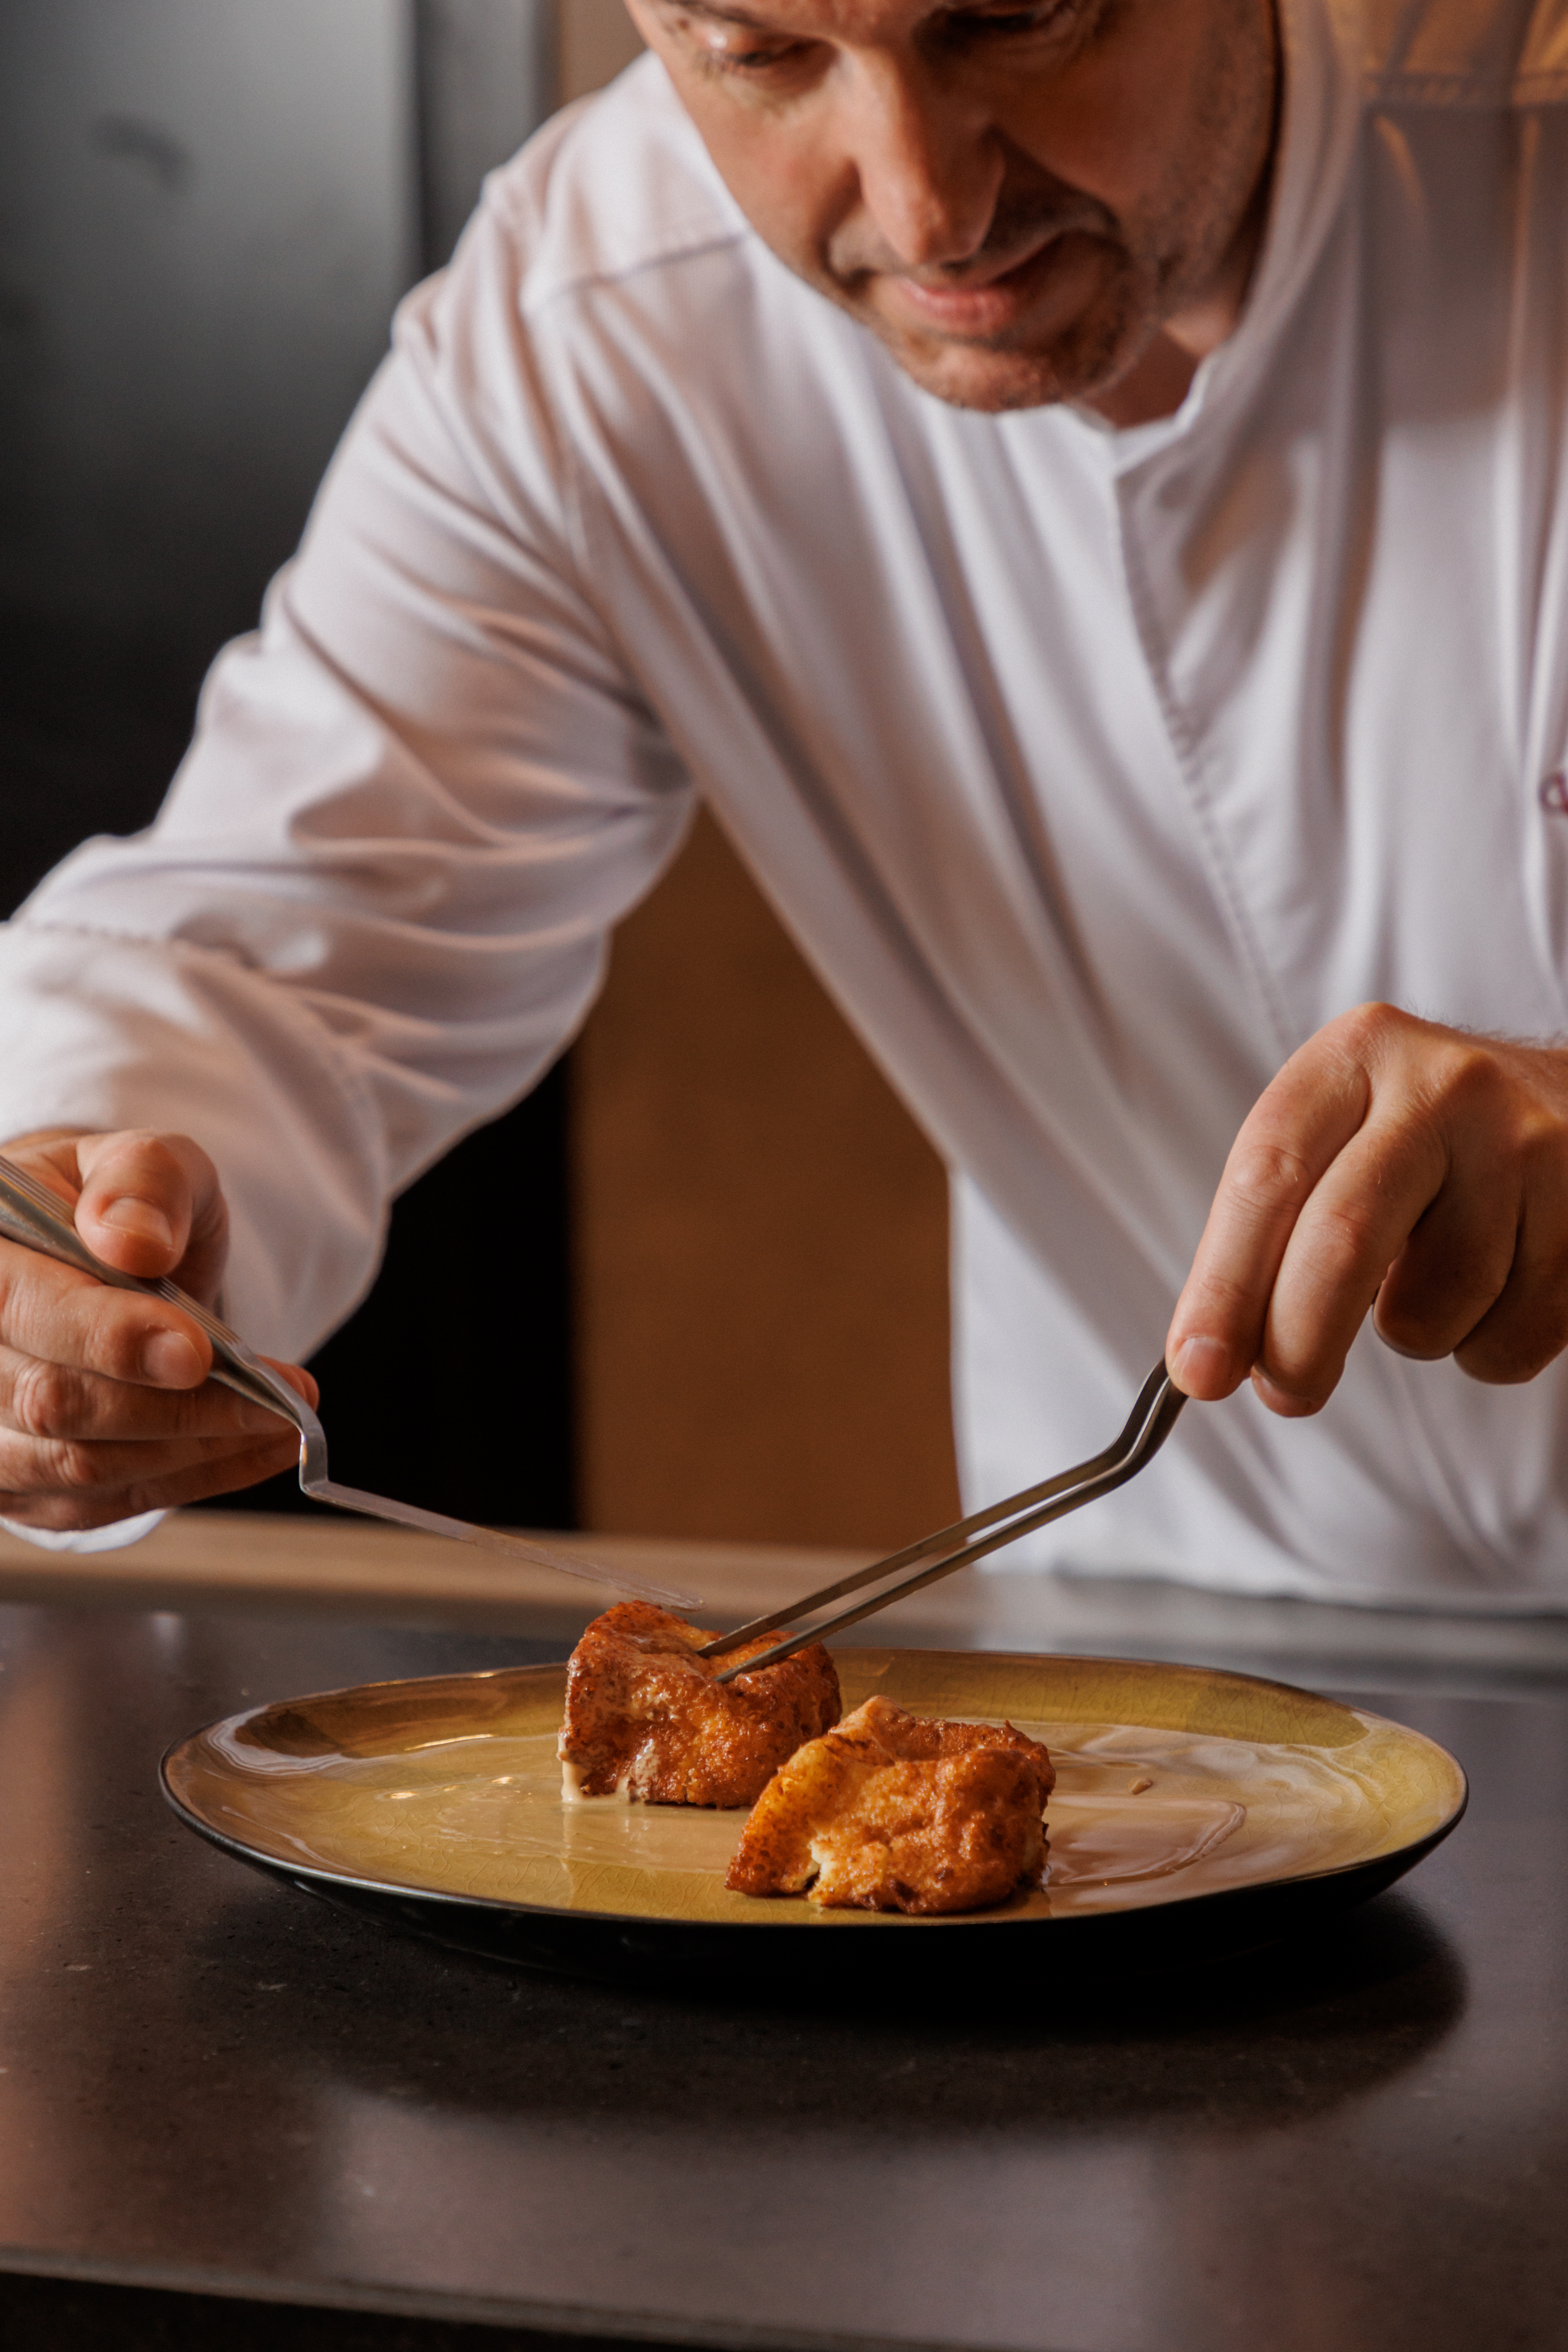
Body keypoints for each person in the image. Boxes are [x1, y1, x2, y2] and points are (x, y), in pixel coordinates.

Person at [2, 0, 1567, 1603]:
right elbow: (277, 947)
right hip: (1183, 1672)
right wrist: (77, 1227)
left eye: (1016, 21)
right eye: (760, 53)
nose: (924, 207)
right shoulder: (600, 312)